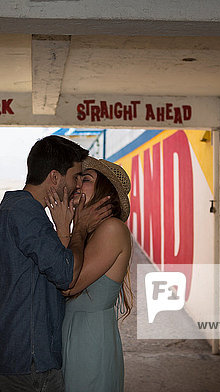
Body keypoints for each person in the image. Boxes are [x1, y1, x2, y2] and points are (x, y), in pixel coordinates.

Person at [0, 136, 112, 392]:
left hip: (20, 355)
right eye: (75, 176)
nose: (78, 185)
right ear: (54, 177)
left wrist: (64, 229)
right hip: (31, 360)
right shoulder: (26, 214)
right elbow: (66, 274)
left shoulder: (16, 208)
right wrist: (79, 230)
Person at [47, 156, 133, 392]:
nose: (77, 184)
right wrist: (70, 228)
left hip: (90, 341)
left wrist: (75, 229)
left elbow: (68, 284)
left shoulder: (112, 229)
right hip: (74, 333)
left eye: (86, 179)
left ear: (106, 192)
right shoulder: (87, 233)